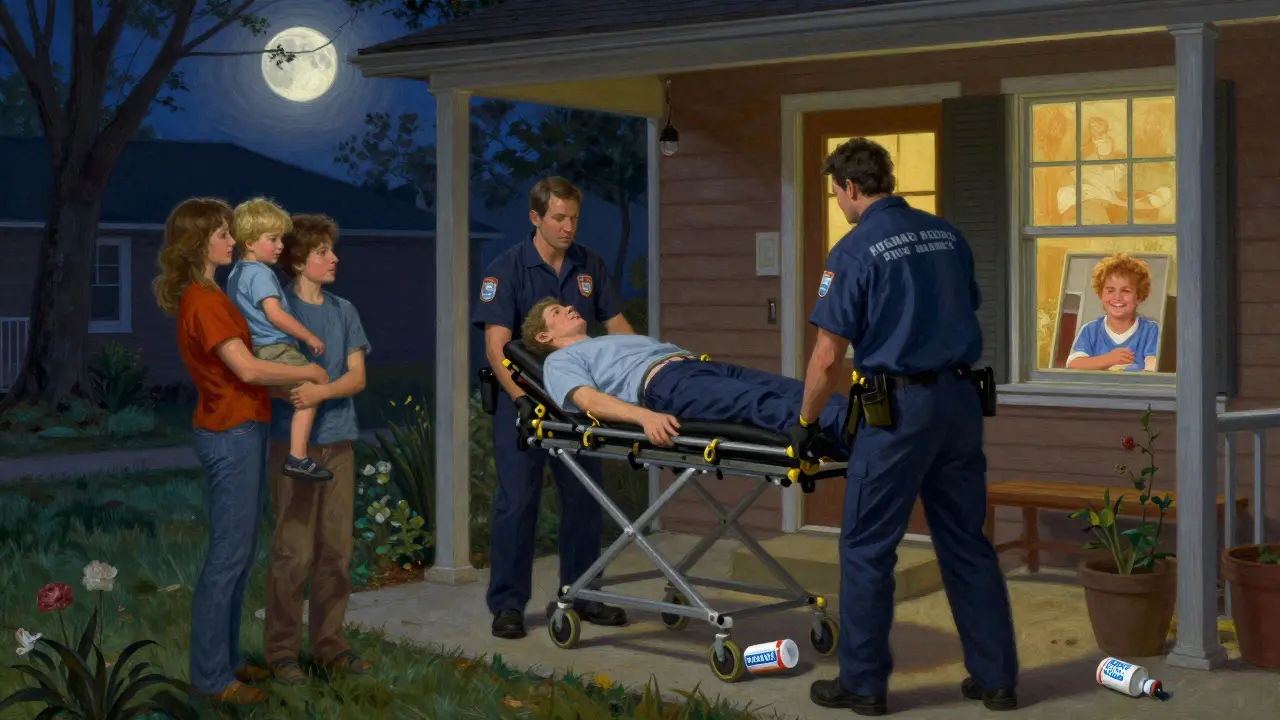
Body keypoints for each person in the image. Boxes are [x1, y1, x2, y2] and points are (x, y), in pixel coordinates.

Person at [785, 139, 1019, 716]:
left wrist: (805, 422)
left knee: (867, 547)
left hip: (900, 412)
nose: (838, 200)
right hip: (960, 403)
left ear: (851, 188)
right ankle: (997, 681)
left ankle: (863, 685)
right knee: (965, 540)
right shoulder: (947, 235)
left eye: (836, 191)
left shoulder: (854, 249)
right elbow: (965, 304)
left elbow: (825, 357)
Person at [151, 197, 328, 705]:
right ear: (198, 242)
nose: (232, 241)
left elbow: (245, 372)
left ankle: (226, 662)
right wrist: (306, 372)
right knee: (227, 558)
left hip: (240, 427)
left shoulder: (210, 293)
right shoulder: (203, 301)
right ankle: (210, 680)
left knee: (238, 553)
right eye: (223, 235)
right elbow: (247, 370)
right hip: (229, 432)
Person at [471, 176, 634, 640]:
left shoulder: (588, 265)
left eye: (573, 218)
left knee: (584, 500)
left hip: (579, 404)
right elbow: (496, 347)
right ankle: (507, 604)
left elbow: (617, 324)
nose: (568, 227)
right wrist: (521, 399)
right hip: (524, 406)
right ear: (535, 218)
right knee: (517, 504)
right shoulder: (505, 270)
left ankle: (584, 593)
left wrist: (645, 361)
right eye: (558, 218)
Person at [262, 214, 374, 684]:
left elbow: (357, 377)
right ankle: (281, 651)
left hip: (339, 445)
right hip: (292, 450)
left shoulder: (343, 310)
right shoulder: (275, 310)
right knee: (293, 552)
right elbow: (266, 376)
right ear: (297, 259)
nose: (334, 258)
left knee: (336, 552)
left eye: (332, 249)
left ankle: (329, 645)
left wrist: (319, 392)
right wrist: (296, 389)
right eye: (323, 251)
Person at [522, 297, 850, 450]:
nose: (568, 308)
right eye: (557, 312)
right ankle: (860, 437)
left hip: (695, 367)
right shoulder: (559, 362)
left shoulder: (605, 341)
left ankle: (860, 421)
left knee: (794, 390)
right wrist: (644, 417)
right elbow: (589, 400)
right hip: (666, 387)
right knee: (757, 402)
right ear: (544, 337)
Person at [226, 197, 332, 482]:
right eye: (272, 239)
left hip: (257, 350)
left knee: (293, 396)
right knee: (312, 390)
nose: (280, 246)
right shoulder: (261, 274)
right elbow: (274, 314)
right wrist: (307, 335)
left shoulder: (237, 273)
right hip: (276, 349)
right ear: (249, 243)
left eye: (280, 239)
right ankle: (298, 457)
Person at [1064, 253, 1159, 372]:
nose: (1117, 297)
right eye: (1110, 290)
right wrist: (1109, 359)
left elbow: (1153, 368)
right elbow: (1073, 364)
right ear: (1101, 294)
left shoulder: (1151, 330)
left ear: (1139, 296)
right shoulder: (1090, 330)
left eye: (1126, 291)